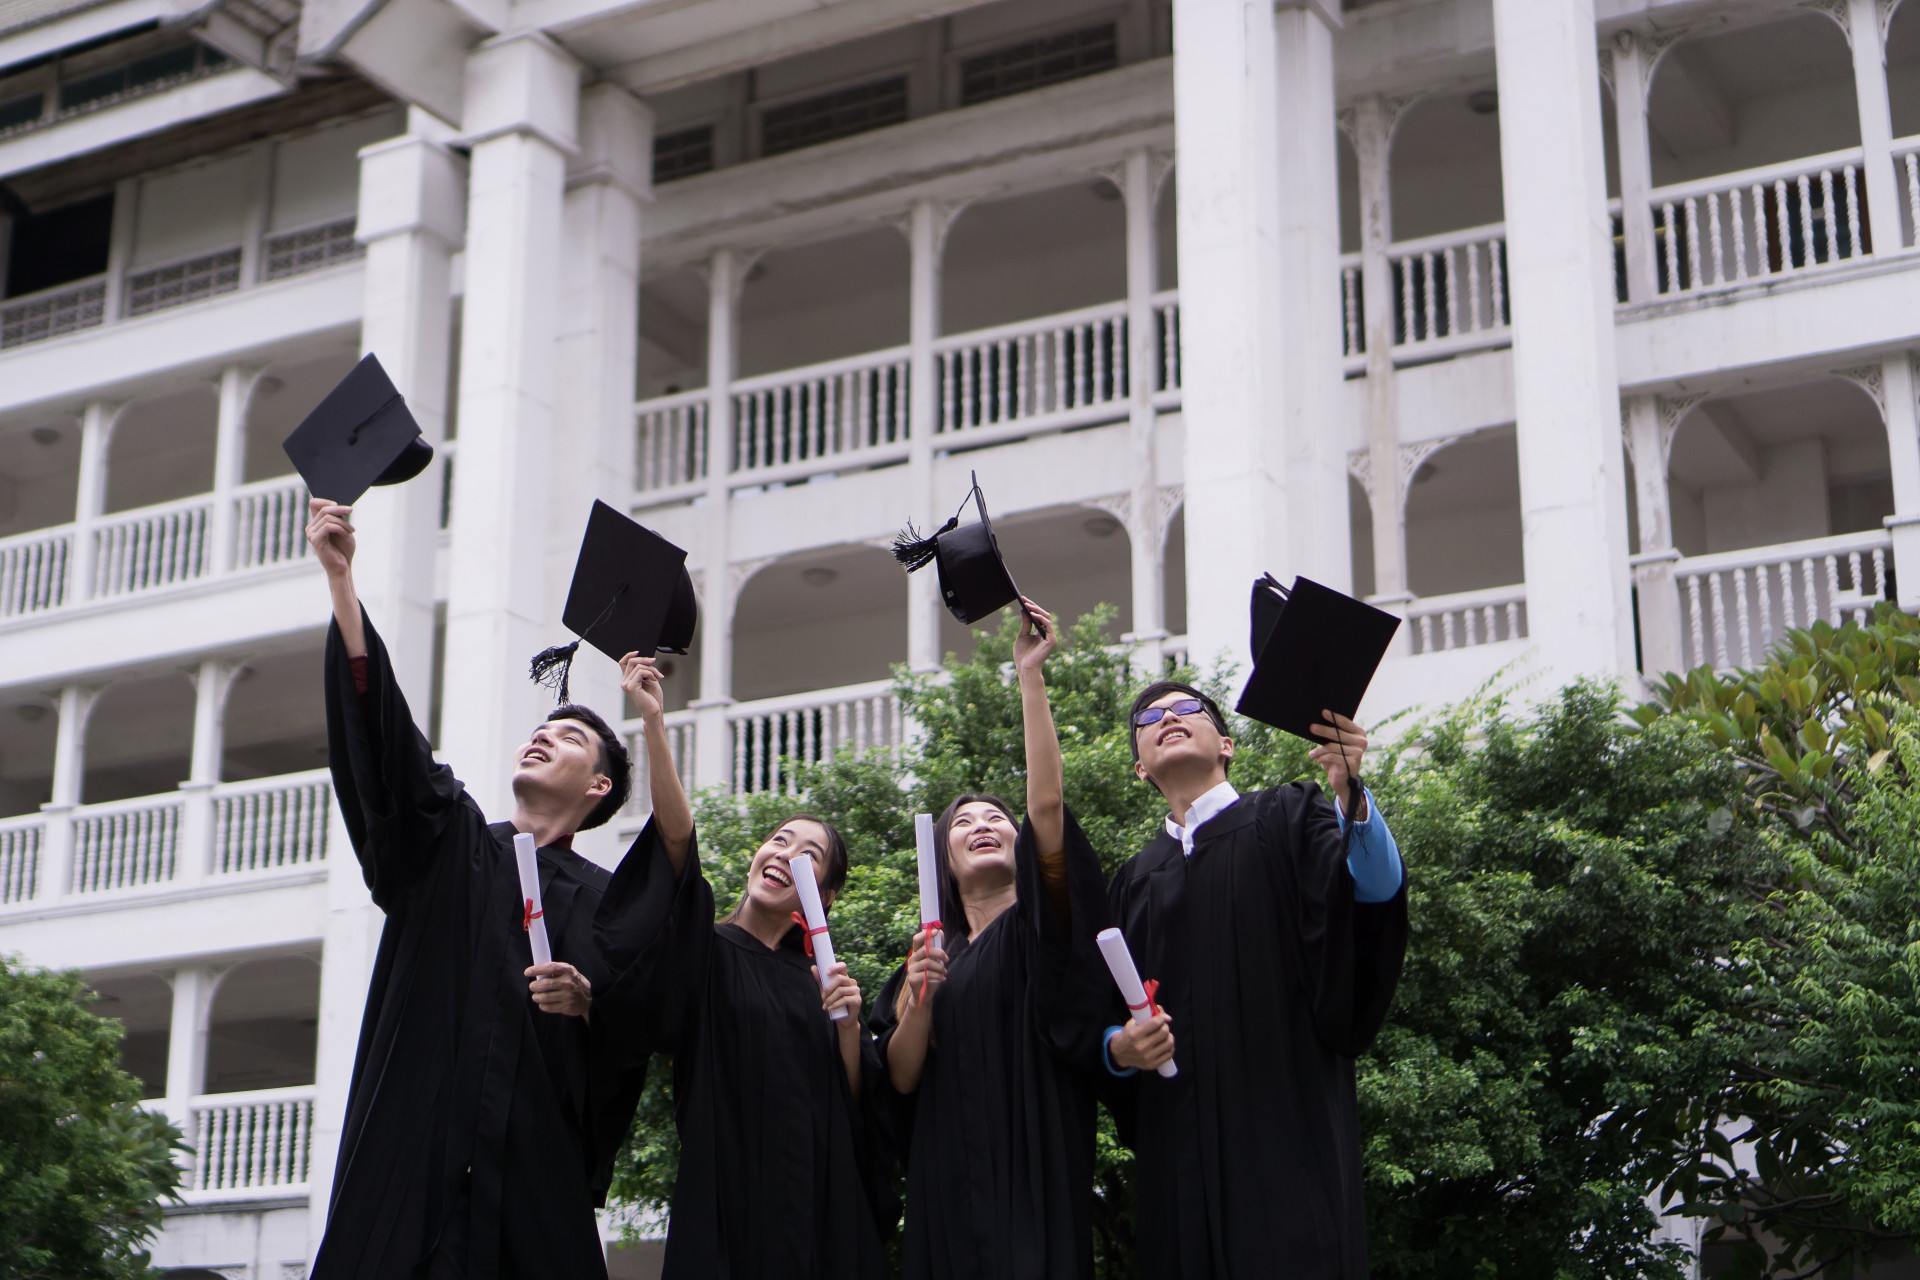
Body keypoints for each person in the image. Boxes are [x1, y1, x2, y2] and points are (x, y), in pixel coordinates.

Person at [303, 496, 657, 1280]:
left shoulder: (609, 904)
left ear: (599, 788)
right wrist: (341, 583)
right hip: (408, 1171)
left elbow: (646, 1026)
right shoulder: (451, 848)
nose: (543, 735)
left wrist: (592, 1002)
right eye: (542, 728)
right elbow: (390, 744)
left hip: (530, 1193)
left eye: (569, 737)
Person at [1103, 682, 1409, 1280]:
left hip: (1287, 1142)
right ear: (1140, 767)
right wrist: (1118, 1048)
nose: (1169, 716)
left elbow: (1368, 901)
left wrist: (1352, 799)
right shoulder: (1131, 885)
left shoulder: (1288, 816)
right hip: (1176, 1166)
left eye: (1188, 707)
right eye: (1150, 716)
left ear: (1227, 743)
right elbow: (1095, 1019)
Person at [591, 714, 892, 1277]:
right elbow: (677, 847)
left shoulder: (823, 979)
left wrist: (848, 1026)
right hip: (728, 1191)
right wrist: (654, 722)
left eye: (809, 854)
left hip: (822, 1198)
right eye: (779, 840)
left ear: (821, 896)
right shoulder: (704, 951)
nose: (785, 854)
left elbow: (854, 1101)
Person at [870, 600, 1113, 1279]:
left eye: (995, 818)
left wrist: (1030, 679)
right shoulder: (933, 952)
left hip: (1037, 1148)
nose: (982, 824)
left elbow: (1047, 809)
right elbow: (902, 1075)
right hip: (948, 1164)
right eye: (962, 823)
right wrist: (919, 996)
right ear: (943, 861)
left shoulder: (1042, 925)